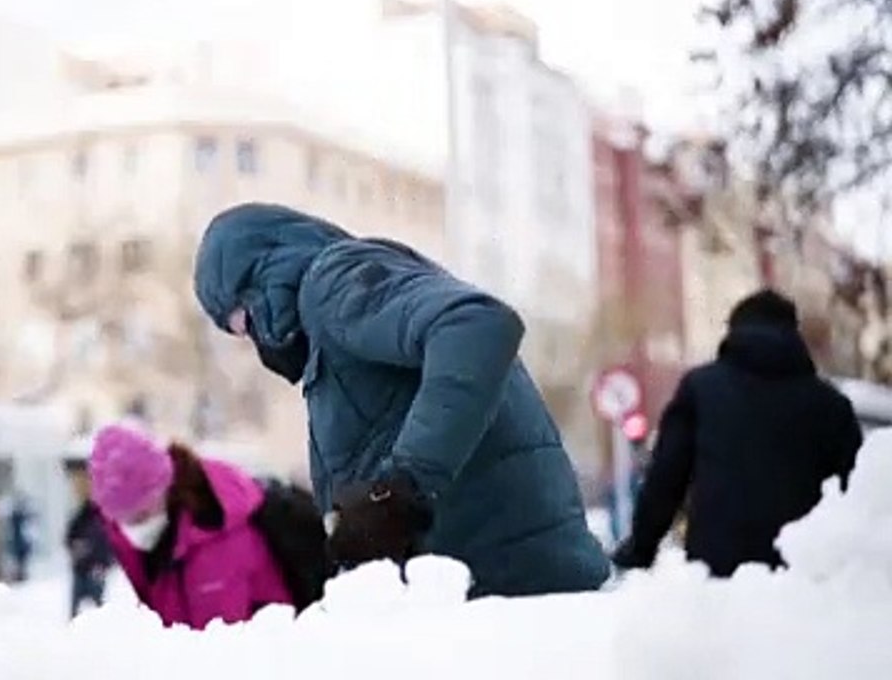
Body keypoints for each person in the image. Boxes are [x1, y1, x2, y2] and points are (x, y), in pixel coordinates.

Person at [193, 203, 609, 598]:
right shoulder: (329, 334)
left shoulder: (333, 282)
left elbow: (476, 325)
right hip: (485, 583)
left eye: (241, 323)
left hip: (506, 583)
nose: (252, 341)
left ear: (256, 286)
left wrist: (403, 485)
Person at [614, 289, 864, 577]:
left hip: (717, 572)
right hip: (802, 577)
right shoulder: (831, 405)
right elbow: (854, 492)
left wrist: (640, 549)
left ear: (733, 332)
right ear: (795, 334)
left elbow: (666, 476)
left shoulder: (700, 390)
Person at [89, 423, 293, 629]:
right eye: (124, 517)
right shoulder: (153, 542)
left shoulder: (219, 534)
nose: (134, 526)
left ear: (164, 489)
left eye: (141, 513)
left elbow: (219, 644)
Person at [64, 464, 114, 617]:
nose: (77, 488)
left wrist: (102, 562)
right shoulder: (82, 513)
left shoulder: (102, 512)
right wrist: (75, 546)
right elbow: (69, 537)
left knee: (98, 613)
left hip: (95, 569)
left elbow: (107, 541)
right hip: (80, 569)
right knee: (76, 615)